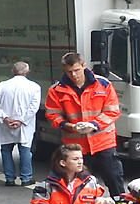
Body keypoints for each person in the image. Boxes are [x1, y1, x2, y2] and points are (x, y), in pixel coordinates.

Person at [44, 51, 125, 195]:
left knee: (115, 182)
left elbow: (112, 111)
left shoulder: (103, 84)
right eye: (69, 72)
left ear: (84, 66)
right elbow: (52, 115)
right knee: (80, 188)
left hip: (103, 143)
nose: (74, 75)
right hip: (77, 147)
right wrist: (69, 126)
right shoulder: (56, 90)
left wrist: (94, 125)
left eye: (76, 70)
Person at [0, 61, 43, 187]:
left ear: (12, 71)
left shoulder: (0, 86)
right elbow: (33, 107)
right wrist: (21, 120)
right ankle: (26, 178)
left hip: (5, 125)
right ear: (27, 72)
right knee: (25, 150)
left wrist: (5, 118)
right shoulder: (34, 87)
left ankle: (9, 179)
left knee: (6, 150)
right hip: (24, 125)